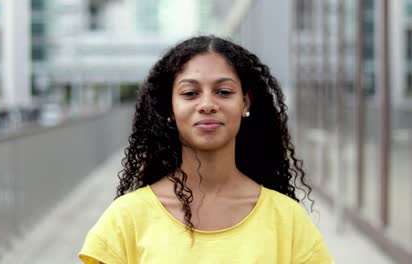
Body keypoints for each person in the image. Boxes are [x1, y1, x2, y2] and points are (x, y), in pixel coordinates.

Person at [79, 35, 333, 263]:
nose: (208, 104)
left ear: (245, 103)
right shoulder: (126, 219)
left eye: (223, 92)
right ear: (169, 108)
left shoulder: (287, 220)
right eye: (190, 93)